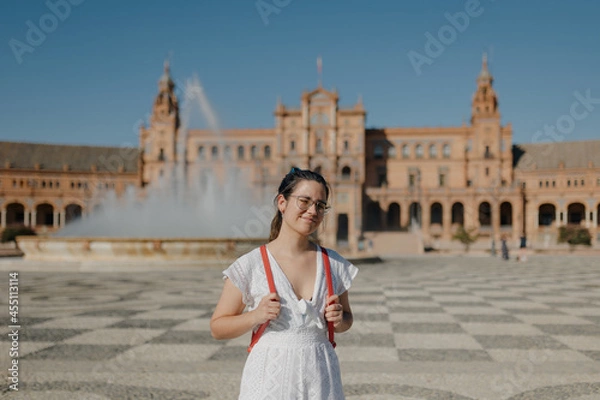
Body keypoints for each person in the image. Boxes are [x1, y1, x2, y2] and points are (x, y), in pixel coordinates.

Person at [210, 168, 358, 399]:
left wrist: (340, 320)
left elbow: (346, 319)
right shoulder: (251, 264)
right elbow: (217, 328)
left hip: (321, 378)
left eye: (320, 205)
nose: (313, 211)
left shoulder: (334, 264)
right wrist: (255, 315)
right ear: (282, 202)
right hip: (269, 378)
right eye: (304, 201)